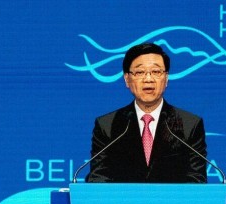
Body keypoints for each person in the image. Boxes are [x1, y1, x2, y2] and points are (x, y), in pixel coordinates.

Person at [86, 43, 207, 183]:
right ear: (127, 79)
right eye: (139, 72)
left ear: (166, 78)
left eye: (156, 72)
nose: (148, 79)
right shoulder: (107, 125)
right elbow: (99, 178)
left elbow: (196, 180)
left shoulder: (189, 125)